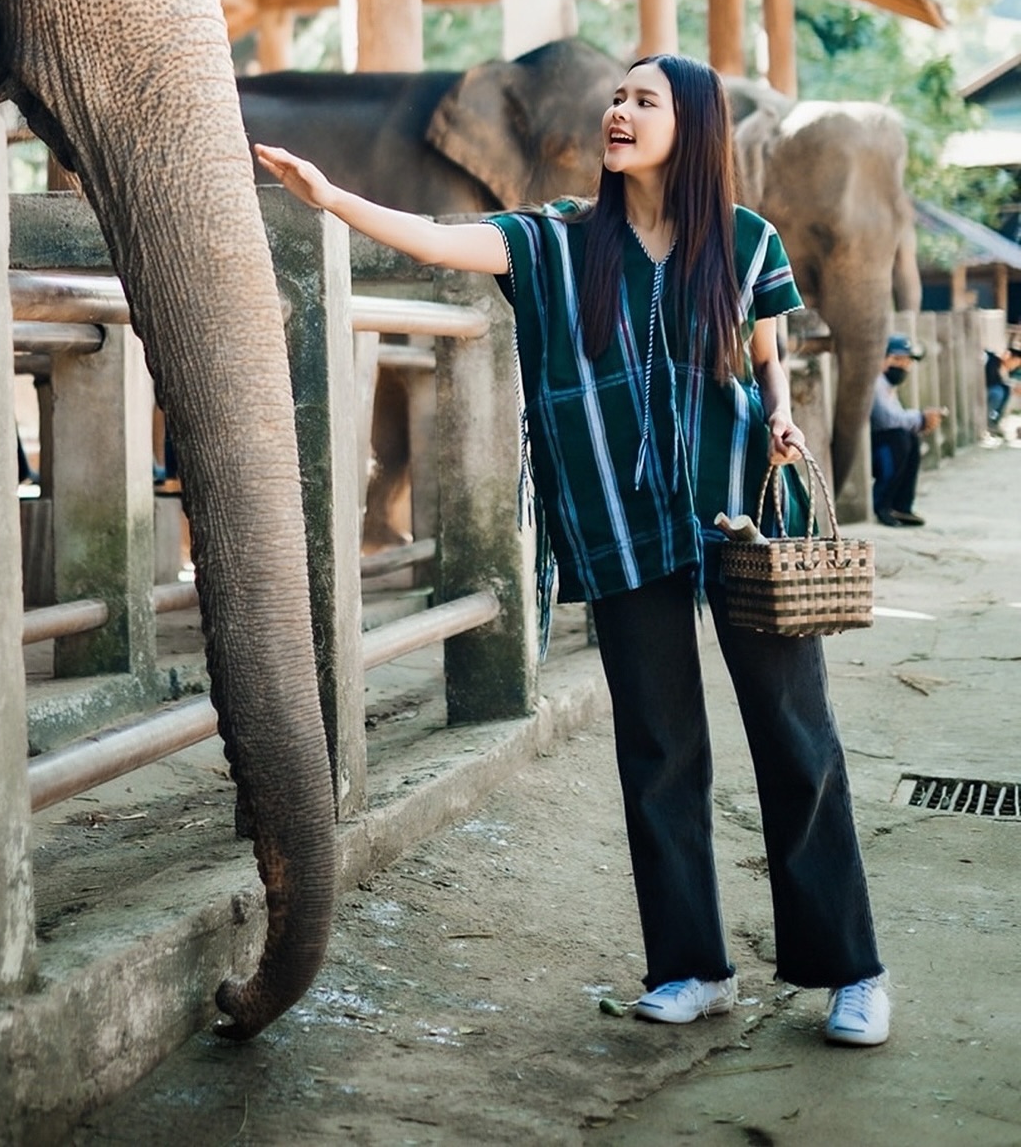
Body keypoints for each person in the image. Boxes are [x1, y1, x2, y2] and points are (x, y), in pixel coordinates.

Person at [257, 53, 889, 1049]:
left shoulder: (744, 239)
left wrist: (781, 420)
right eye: (618, 98)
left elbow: (766, 363)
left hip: (737, 519)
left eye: (645, 99)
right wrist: (334, 198)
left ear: (695, 127)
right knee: (658, 748)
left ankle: (849, 969)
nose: (619, 113)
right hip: (616, 524)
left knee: (796, 738)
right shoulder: (556, 242)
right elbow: (438, 237)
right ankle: (691, 967)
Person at [869, 335, 943, 526]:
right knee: (899, 438)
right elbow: (885, 419)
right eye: (897, 360)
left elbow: (897, 416)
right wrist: (920, 418)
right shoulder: (876, 383)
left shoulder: (889, 387)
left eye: (907, 361)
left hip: (885, 439)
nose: (903, 366)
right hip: (875, 444)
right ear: (883, 359)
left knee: (910, 437)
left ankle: (901, 507)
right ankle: (882, 505)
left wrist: (920, 422)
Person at [983, 341, 1021, 435]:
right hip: (982, 393)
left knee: (1005, 390)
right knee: (997, 392)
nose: (1015, 366)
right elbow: (990, 381)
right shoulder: (992, 361)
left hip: (988, 393)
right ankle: (986, 422)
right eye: (1015, 362)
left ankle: (993, 422)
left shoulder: (1003, 369)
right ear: (1008, 356)